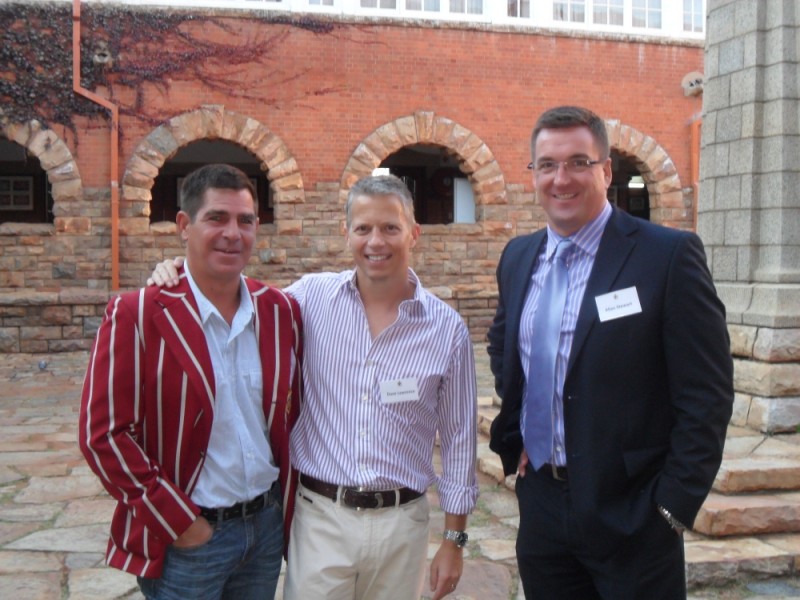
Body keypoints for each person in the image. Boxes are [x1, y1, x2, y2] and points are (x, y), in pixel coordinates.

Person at [150, 174, 479, 600]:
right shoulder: (308, 301)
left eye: (390, 228)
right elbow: (236, 297)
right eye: (363, 228)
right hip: (321, 520)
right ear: (346, 234)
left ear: (413, 233)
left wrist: (454, 541)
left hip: (403, 524)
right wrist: (179, 270)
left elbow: (459, 438)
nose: (375, 241)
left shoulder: (447, 330)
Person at [487, 105, 734, 599]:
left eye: (578, 162)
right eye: (548, 165)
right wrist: (525, 426)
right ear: (533, 174)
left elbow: (706, 393)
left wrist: (672, 506)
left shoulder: (666, 256)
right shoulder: (518, 256)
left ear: (605, 169)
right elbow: (503, 343)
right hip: (542, 506)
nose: (561, 179)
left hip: (633, 513)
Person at [79, 164, 303, 600]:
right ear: (184, 225)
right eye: (216, 218)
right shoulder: (139, 314)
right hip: (190, 539)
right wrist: (177, 522)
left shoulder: (280, 310)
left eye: (245, 221)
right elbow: (102, 435)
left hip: (264, 530)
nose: (232, 233)